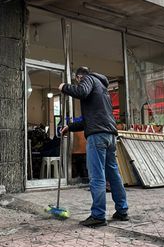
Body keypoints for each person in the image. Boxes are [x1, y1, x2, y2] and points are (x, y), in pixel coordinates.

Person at [59, 66, 129, 227]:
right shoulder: (103, 89)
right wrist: (70, 127)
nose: (79, 82)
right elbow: (88, 120)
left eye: (78, 80)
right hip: (110, 135)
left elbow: (81, 92)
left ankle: (98, 215)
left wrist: (64, 87)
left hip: (98, 136)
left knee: (97, 176)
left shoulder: (88, 79)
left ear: (78, 77)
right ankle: (122, 210)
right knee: (113, 174)